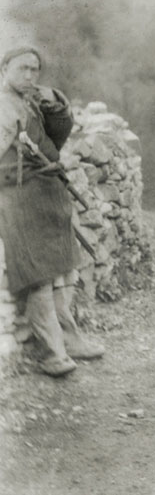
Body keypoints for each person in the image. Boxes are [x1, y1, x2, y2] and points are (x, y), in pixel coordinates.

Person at [0, 46, 105, 377]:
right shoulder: (3, 106)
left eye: (35, 69)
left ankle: (71, 340)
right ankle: (51, 353)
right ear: (4, 68)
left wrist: (56, 105)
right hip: (21, 198)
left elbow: (57, 137)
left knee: (63, 271)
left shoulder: (31, 100)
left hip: (49, 194)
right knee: (40, 277)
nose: (30, 75)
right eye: (23, 69)